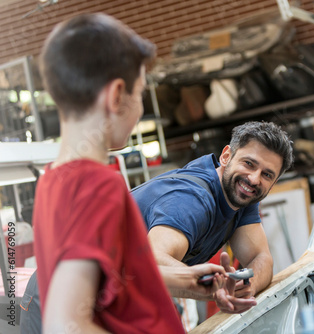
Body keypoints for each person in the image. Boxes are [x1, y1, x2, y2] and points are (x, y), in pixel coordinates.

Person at [29, 13, 225, 333]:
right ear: (117, 95)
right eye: (141, 93)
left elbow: (108, 284)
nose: (141, 107)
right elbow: (65, 324)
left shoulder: (55, 179)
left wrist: (186, 280)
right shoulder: (95, 184)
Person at [132, 121, 294, 315]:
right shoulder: (192, 201)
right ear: (226, 156)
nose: (254, 179)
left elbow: (260, 258)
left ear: (273, 184)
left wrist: (247, 286)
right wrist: (215, 287)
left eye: (267, 175)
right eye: (249, 163)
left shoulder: (241, 197)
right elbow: (153, 261)